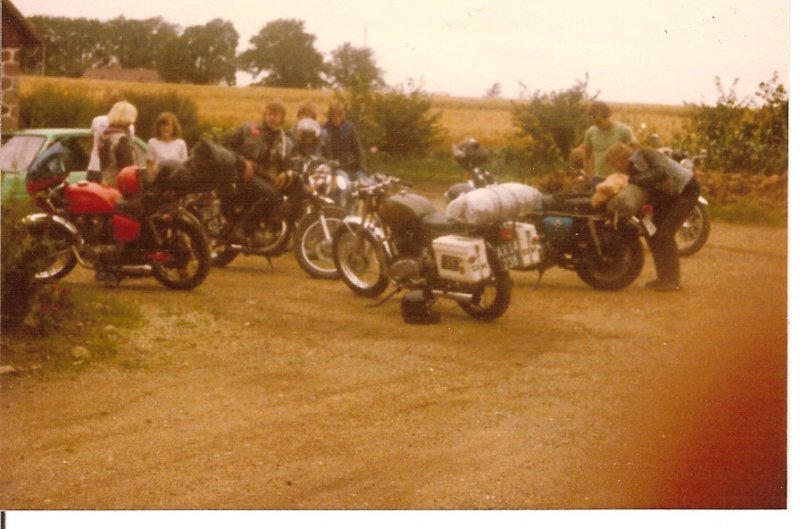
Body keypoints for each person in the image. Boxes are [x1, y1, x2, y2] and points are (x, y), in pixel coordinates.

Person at [605, 142, 701, 292]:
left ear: (621, 160)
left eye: (614, 163)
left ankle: (673, 281)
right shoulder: (632, 169)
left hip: (687, 190)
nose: (615, 167)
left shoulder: (646, 154)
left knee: (665, 234)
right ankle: (663, 278)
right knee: (652, 233)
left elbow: (661, 173)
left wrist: (632, 180)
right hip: (670, 194)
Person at [223, 99, 295, 242]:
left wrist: (287, 171)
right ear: (265, 115)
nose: (272, 118)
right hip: (242, 173)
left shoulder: (284, 141)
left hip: (262, 177)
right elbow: (227, 146)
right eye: (270, 114)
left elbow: (286, 163)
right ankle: (241, 229)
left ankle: (265, 231)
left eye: (276, 115)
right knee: (272, 196)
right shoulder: (249, 129)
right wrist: (243, 162)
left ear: (282, 118)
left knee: (279, 195)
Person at [582, 101, 637, 184]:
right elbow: (586, 157)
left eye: (599, 121)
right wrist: (590, 176)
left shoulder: (624, 130)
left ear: (607, 117)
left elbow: (635, 155)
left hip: (620, 178)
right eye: (593, 121)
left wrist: (629, 175)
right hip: (598, 178)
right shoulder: (590, 132)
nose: (596, 124)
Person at [87, 90, 133, 183]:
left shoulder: (96, 120)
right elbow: (127, 149)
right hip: (114, 172)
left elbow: (90, 142)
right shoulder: (129, 125)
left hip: (94, 167)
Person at [98, 101, 138, 187]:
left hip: (105, 182)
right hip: (119, 185)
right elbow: (127, 168)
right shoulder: (121, 139)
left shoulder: (105, 135)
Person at [323, 101, 366, 179]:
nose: (336, 119)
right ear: (330, 117)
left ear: (342, 116)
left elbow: (358, 148)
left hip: (352, 164)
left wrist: (362, 167)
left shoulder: (350, 127)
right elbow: (324, 151)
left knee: (366, 181)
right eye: (334, 116)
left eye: (339, 116)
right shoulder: (325, 129)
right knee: (344, 181)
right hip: (336, 168)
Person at [146, 112, 188, 181]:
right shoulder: (152, 142)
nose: (166, 128)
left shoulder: (181, 143)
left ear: (174, 127)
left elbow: (184, 165)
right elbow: (149, 164)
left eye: (168, 125)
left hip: (176, 180)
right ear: (158, 127)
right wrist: (151, 178)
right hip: (159, 180)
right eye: (163, 125)